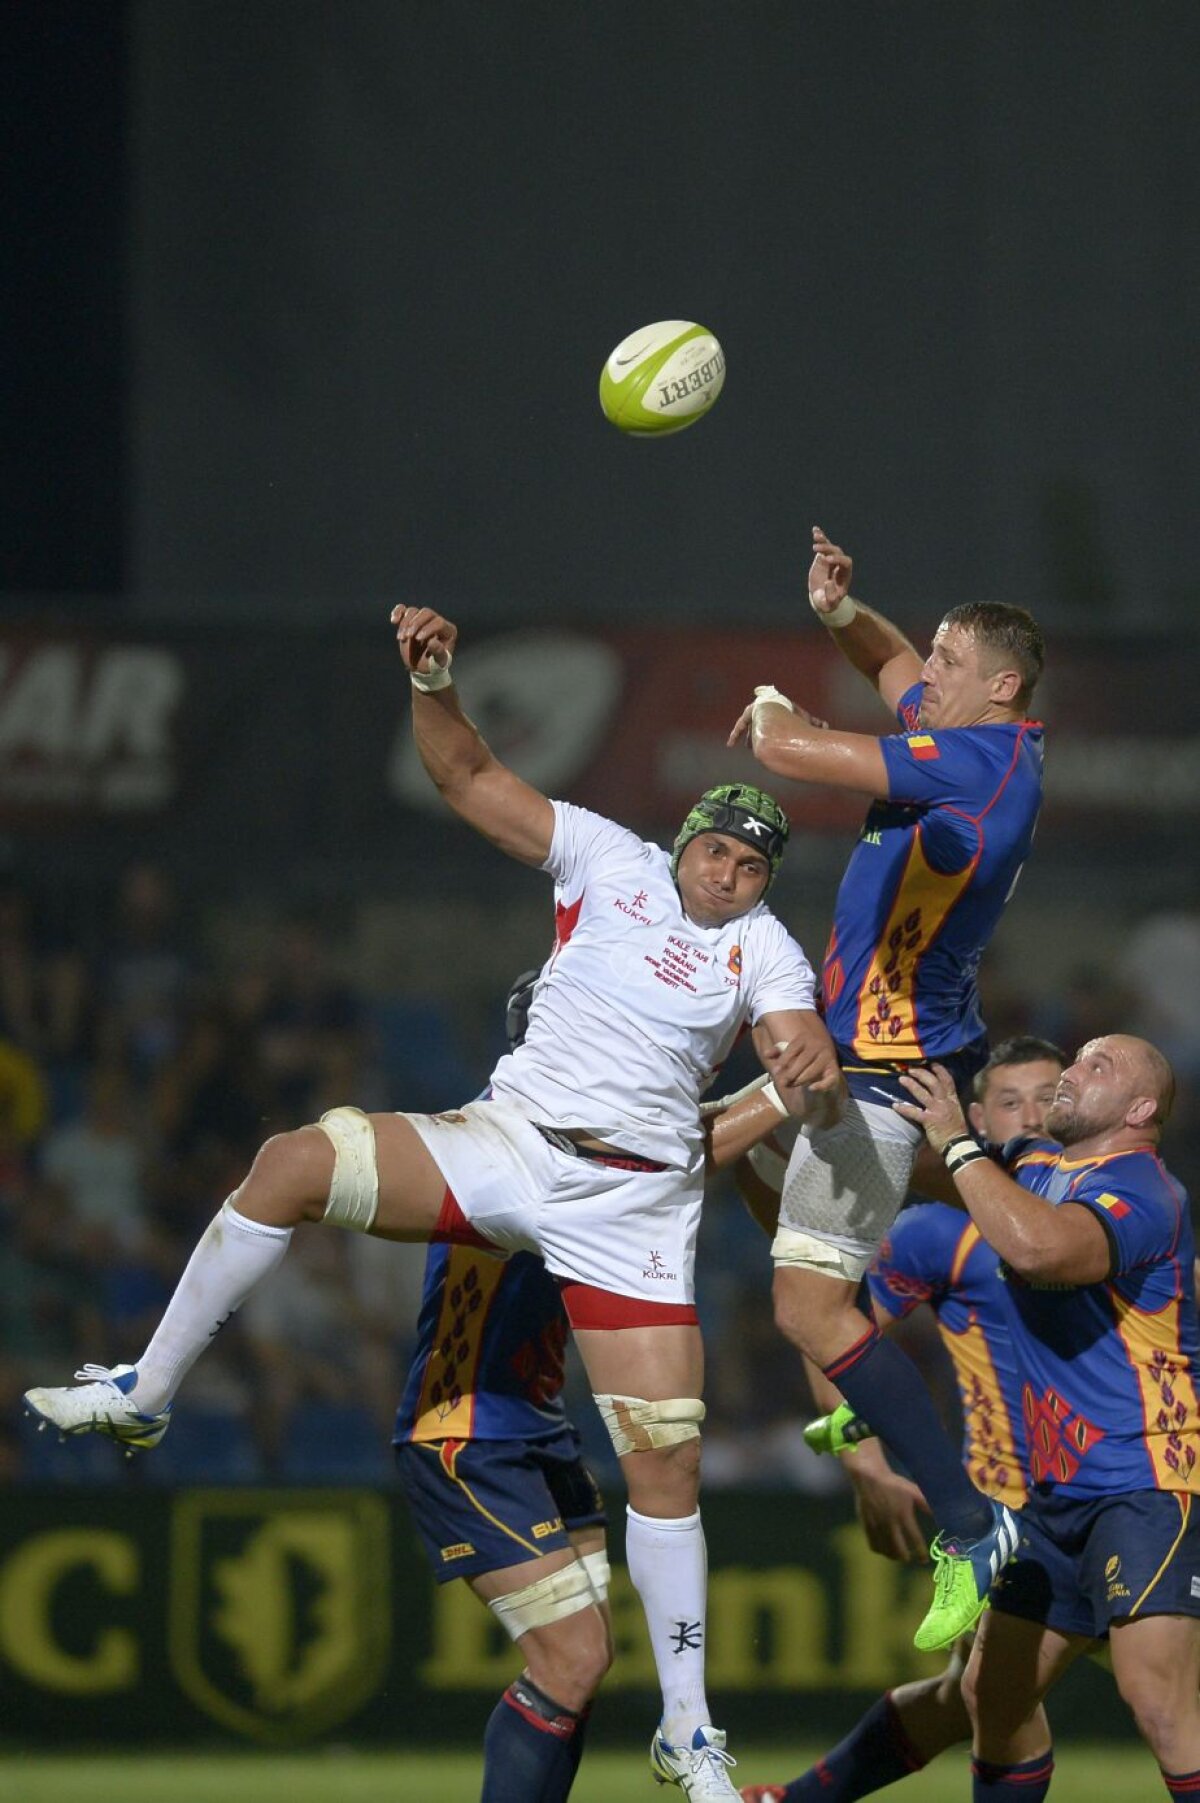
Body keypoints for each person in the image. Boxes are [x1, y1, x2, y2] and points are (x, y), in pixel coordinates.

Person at [24, 604, 841, 1803]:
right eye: (717, 850)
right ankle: (146, 1392)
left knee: (665, 1471)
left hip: (632, 1205)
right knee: (293, 1161)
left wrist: (806, 1060)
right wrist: (437, 680)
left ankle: (688, 1731)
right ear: (685, 841)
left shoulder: (764, 946)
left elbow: (790, 1034)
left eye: (752, 863)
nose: (728, 874)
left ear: (767, 880)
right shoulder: (608, 858)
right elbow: (464, 774)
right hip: (511, 1143)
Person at [729, 526, 1045, 1650]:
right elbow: (892, 666)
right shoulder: (968, 730)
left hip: (881, 1065)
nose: (932, 677)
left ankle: (967, 1524)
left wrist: (773, 714)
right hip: (893, 1050)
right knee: (749, 1176)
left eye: (955, 664)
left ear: (1000, 687)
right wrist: (838, 614)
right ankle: (870, 1395)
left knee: (805, 1304)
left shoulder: (980, 761)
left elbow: (798, 758)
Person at [398, 969, 795, 1803]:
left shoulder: (587, 1137)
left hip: (538, 1430)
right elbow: (675, 1161)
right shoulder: (502, 1137)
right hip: (464, 1432)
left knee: (577, 1668)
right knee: (572, 1657)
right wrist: (786, 1084)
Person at [739, 1034, 1067, 1803]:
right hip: (1011, 1511)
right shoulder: (937, 1234)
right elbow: (828, 1333)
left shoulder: (1119, 1207)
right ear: (976, 1117)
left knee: (981, 1698)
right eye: (1011, 1101)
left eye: (1048, 1096)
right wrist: (866, 1465)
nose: (1031, 1116)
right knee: (987, 1697)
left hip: (1128, 1499)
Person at [891, 1035, 1200, 1801]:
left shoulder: (1144, 1191)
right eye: (1077, 1059)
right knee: (990, 1698)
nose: (1070, 1072)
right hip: (1053, 1495)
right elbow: (927, 1166)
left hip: (1147, 1478)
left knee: (1158, 1700)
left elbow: (1038, 1249)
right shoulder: (1034, 1163)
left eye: (1098, 1066)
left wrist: (960, 1146)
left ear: (1140, 1109)